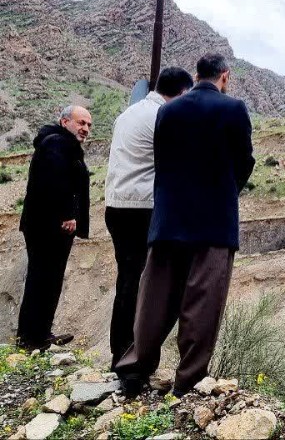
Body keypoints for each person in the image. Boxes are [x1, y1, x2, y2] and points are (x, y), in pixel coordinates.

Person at [115, 53, 255, 397]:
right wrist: (223, 192)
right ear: (224, 76)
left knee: (155, 297)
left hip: (168, 218)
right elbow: (244, 162)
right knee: (202, 301)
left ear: (196, 76)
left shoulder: (168, 110)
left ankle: (134, 369)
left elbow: (161, 162)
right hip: (213, 222)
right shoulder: (234, 109)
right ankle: (188, 380)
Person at [104, 67, 193, 368]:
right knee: (147, 283)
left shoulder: (127, 114)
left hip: (116, 205)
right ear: (181, 93)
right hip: (141, 208)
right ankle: (130, 354)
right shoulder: (162, 117)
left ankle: (120, 350)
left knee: (127, 279)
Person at [17, 105, 92, 350]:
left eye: (89, 125)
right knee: (43, 279)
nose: (86, 129)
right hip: (49, 226)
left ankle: (36, 334)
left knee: (46, 279)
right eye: (81, 123)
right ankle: (32, 338)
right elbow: (56, 181)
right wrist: (68, 214)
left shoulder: (57, 143)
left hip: (45, 224)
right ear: (64, 122)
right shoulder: (58, 144)